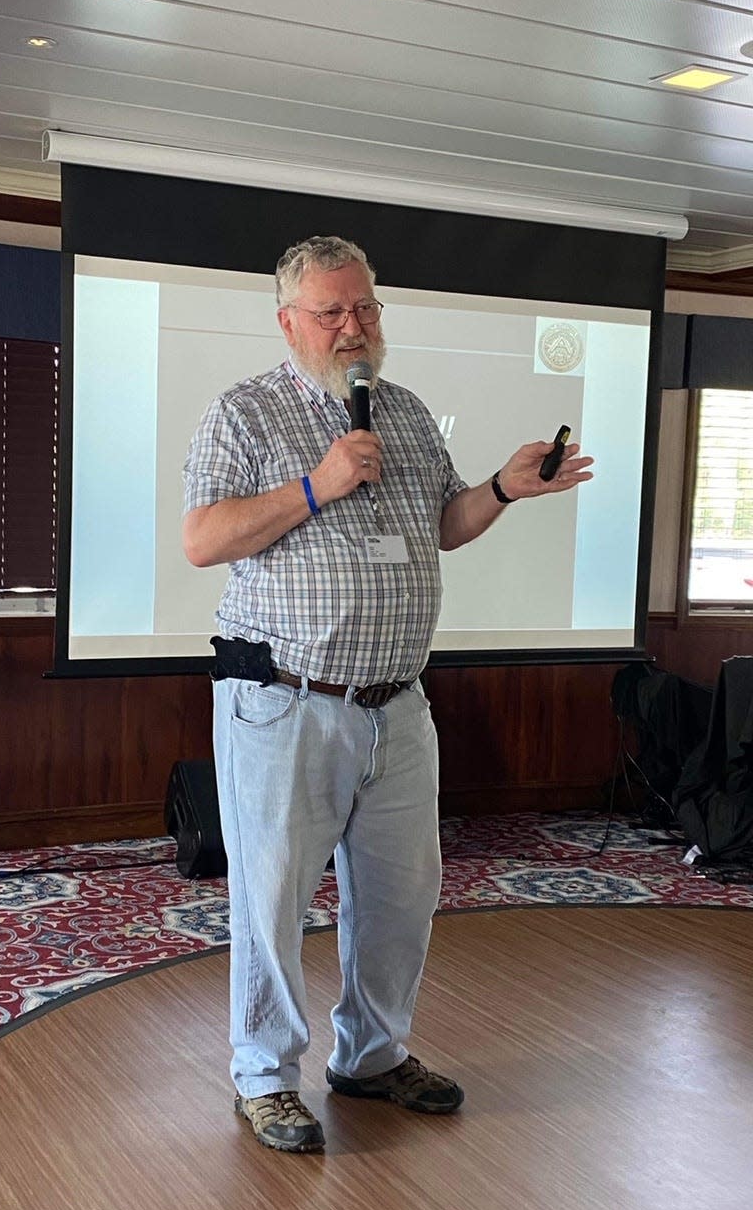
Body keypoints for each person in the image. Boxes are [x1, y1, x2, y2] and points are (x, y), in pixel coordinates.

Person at [182, 235, 593, 1154]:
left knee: (403, 898)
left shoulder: (402, 412)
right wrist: (317, 486)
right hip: (286, 702)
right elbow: (204, 539)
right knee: (273, 900)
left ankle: (370, 1057)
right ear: (289, 322)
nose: (353, 326)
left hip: (398, 705)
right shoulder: (243, 414)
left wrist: (501, 488)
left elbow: (443, 525)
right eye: (331, 312)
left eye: (365, 306)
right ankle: (264, 1076)